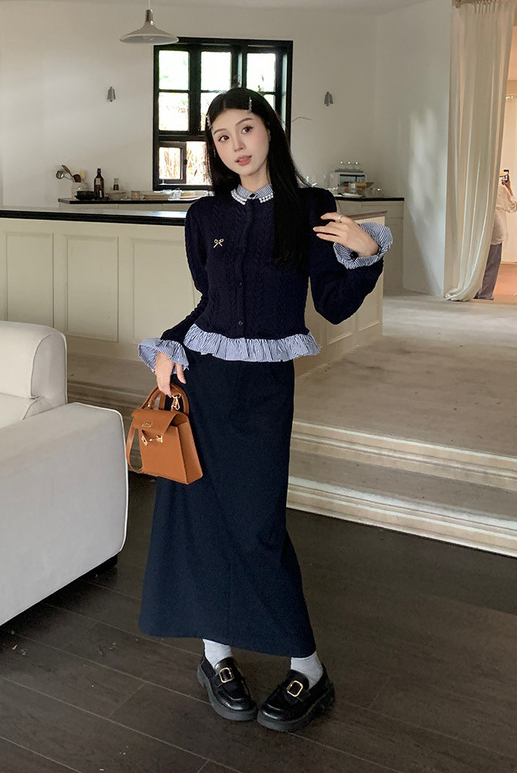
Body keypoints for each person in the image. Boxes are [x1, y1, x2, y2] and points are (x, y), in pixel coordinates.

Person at [138, 87, 392, 732]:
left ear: (270, 131)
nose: (236, 145)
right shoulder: (204, 215)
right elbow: (211, 304)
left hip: (264, 390)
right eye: (222, 137)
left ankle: (309, 667)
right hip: (203, 383)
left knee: (258, 526)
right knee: (202, 519)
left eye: (246, 129)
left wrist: (366, 253)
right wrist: (168, 345)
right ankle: (215, 656)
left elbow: (332, 303)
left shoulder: (310, 207)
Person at [475, 173, 517, 300]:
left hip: (478, 230)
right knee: (492, 264)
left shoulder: (475, 187)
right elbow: (513, 206)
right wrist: (509, 187)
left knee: (477, 263)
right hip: (495, 231)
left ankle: (474, 291)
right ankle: (485, 294)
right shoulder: (499, 188)